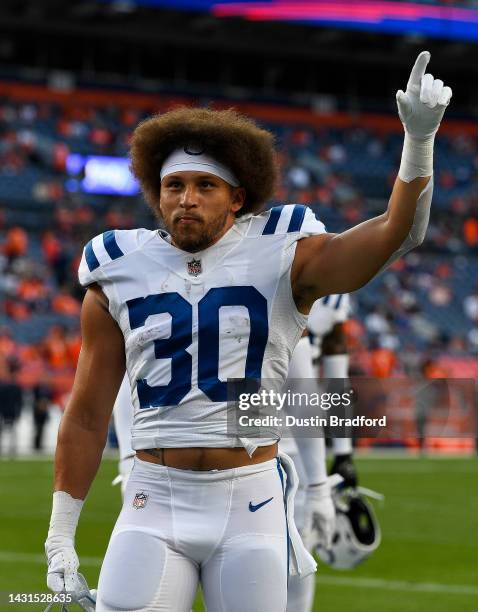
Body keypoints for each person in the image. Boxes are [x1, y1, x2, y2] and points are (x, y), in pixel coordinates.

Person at [45, 52, 451, 611]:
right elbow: (88, 414)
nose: (186, 198)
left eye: (205, 185)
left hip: (250, 501)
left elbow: (395, 234)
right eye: (174, 185)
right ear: (155, 192)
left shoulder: (284, 252)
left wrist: (419, 143)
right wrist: (60, 536)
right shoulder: (119, 266)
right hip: (153, 497)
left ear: (238, 197)